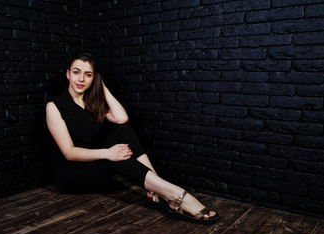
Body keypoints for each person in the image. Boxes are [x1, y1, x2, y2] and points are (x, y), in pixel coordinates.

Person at [45, 52, 218, 224]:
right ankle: (174, 194)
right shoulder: (55, 106)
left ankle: (155, 191)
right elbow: (69, 152)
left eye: (88, 74)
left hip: (94, 165)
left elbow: (122, 119)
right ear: (68, 74)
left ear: (94, 78)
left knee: (122, 130)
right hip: (72, 174)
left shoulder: (92, 102)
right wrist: (108, 153)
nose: (81, 79)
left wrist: (101, 86)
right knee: (115, 155)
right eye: (76, 72)